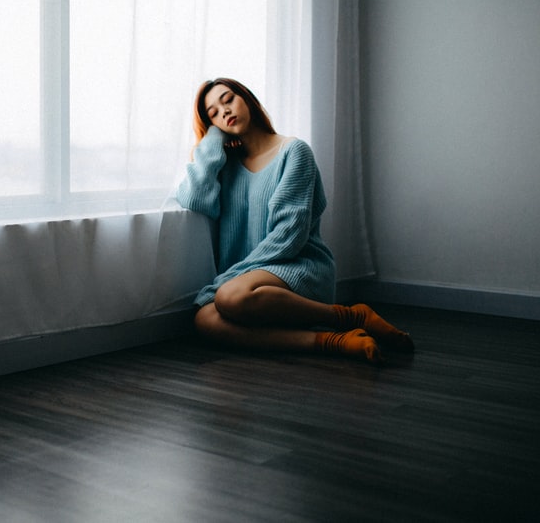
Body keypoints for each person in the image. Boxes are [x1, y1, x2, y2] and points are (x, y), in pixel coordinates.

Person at [176, 78, 414, 364]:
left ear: (247, 98)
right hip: (248, 286)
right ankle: (330, 342)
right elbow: (194, 198)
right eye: (213, 113)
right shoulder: (226, 167)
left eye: (228, 99)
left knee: (227, 297)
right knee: (204, 320)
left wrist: (229, 280)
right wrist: (213, 139)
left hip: (297, 266)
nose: (224, 111)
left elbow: (290, 235)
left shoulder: (293, 151)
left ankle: (350, 315)